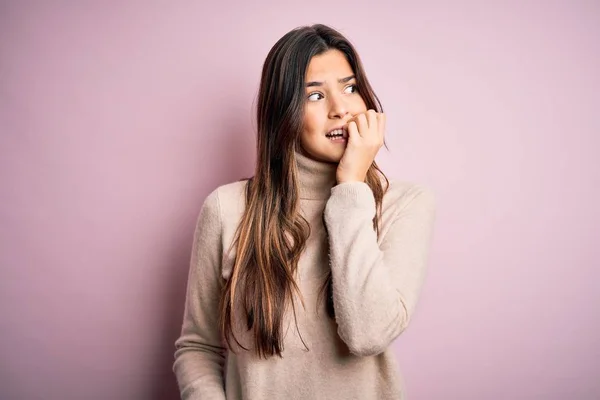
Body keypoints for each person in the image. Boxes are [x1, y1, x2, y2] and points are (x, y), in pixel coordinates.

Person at [173, 23, 437, 400]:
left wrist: (350, 186)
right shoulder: (227, 209)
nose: (341, 109)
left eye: (350, 88)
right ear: (284, 113)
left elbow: (368, 333)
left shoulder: (405, 204)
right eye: (315, 96)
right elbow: (198, 348)